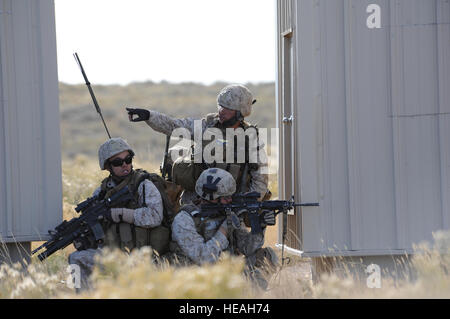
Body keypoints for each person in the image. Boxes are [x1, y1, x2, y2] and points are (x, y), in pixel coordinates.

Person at [126, 84, 270, 205]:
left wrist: (244, 205)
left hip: (229, 204)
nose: (221, 111)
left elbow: (260, 181)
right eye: (220, 106)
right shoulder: (207, 126)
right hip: (196, 202)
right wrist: (149, 116)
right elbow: (174, 126)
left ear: (240, 113)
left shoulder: (251, 139)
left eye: (228, 108)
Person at [68, 137, 171, 290]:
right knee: (75, 258)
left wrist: (120, 213)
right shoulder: (102, 192)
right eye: (117, 162)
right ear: (108, 166)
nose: (125, 165)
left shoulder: (143, 185)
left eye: (128, 159)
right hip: (113, 255)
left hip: (142, 256)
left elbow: (155, 216)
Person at [166, 168, 278, 289]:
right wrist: (224, 230)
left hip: (224, 270)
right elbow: (203, 258)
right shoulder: (184, 220)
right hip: (196, 278)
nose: (230, 200)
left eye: (230, 196)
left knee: (266, 256)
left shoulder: (226, 212)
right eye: (225, 197)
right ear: (211, 197)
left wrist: (260, 226)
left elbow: (247, 249)